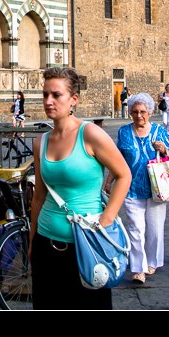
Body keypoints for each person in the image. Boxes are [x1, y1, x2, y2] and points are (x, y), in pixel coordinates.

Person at [31, 67, 131, 309]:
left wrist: (106, 220)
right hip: (47, 242)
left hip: (86, 244)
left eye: (56, 95)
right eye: (45, 95)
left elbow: (123, 175)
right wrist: (32, 238)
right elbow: (39, 196)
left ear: (73, 99)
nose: (48, 101)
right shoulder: (40, 142)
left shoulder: (90, 134)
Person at [107, 92, 169, 283]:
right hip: (131, 186)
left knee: (154, 229)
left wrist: (163, 149)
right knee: (135, 229)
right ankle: (138, 268)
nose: (139, 115)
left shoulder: (159, 131)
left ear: (150, 112)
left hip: (156, 187)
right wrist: (109, 180)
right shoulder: (124, 132)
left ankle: (152, 261)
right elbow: (118, 158)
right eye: (135, 112)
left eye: (143, 112)